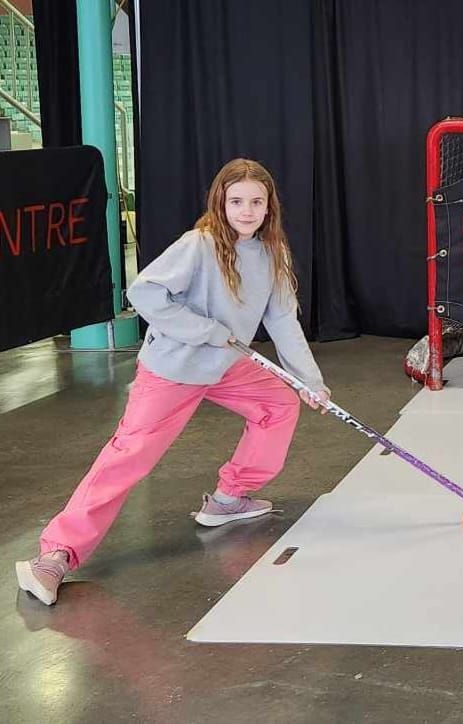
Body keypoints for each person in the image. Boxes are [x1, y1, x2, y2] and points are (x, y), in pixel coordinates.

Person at [15, 158, 331, 606]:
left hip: (225, 365)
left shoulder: (271, 252)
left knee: (279, 404)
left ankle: (228, 498)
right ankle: (57, 555)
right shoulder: (198, 245)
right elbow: (142, 292)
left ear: (269, 207)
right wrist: (205, 330)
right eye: (236, 201)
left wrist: (309, 381)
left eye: (256, 202)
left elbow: (282, 319)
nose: (246, 210)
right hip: (174, 369)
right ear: (220, 202)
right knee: (129, 458)